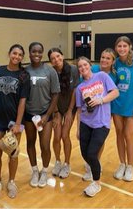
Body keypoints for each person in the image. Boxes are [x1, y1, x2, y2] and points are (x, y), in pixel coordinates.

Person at [74, 56, 119, 198]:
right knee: (84, 153)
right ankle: (95, 168)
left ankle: (96, 182)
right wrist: (78, 128)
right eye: (80, 66)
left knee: (92, 153)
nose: (83, 68)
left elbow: (115, 92)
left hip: (101, 123)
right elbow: (79, 110)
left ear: (90, 65)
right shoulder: (79, 88)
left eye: (85, 65)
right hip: (86, 123)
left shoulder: (102, 76)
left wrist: (101, 100)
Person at [0, 45, 30, 199]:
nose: (16, 56)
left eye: (20, 54)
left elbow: (22, 101)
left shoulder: (24, 75)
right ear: (9, 53)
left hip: (14, 121)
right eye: (14, 53)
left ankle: (11, 181)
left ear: (22, 57)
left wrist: (18, 124)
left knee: (13, 153)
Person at [23, 42, 60, 187]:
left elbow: (55, 94)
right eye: (34, 52)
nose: (36, 54)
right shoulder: (25, 71)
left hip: (45, 113)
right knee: (30, 143)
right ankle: (34, 171)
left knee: (45, 145)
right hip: (28, 114)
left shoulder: (50, 71)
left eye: (39, 52)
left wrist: (47, 116)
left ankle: (44, 171)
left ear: (42, 53)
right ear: (29, 53)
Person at [111, 35, 133, 182]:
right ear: (116, 48)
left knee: (128, 135)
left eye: (125, 46)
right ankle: (122, 164)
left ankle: (130, 166)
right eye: (119, 46)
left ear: (130, 47)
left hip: (132, 106)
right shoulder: (116, 62)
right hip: (117, 104)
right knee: (119, 134)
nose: (122, 49)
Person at [46, 47, 78, 179]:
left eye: (58, 56)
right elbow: (51, 94)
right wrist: (56, 112)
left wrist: (70, 111)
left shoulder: (73, 70)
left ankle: (67, 163)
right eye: (53, 58)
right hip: (56, 108)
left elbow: (75, 91)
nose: (56, 60)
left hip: (70, 106)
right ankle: (58, 161)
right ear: (50, 61)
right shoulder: (50, 72)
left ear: (63, 56)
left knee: (65, 135)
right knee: (57, 136)